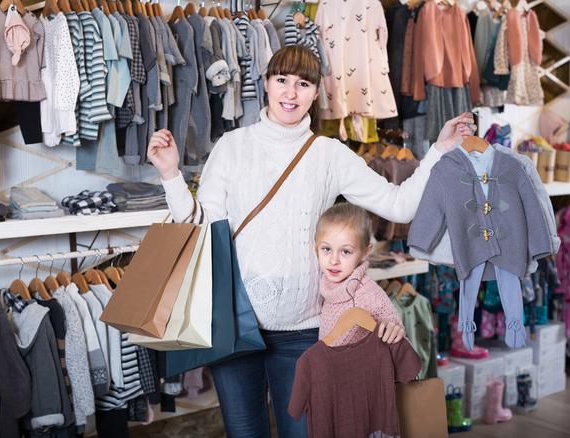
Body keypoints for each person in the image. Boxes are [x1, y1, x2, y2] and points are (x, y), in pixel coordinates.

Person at [147, 45, 475, 437]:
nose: (290, 93)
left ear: (316, 93)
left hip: (303, 330)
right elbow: (201, 223)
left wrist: (439, 150)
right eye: (282, 80)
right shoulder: (233, 147)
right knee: (244, 433)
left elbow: (398, 205)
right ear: (266, 83)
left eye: (302, 84)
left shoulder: (328, 155)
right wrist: (170, 174)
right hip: (234, 323)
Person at [316, 203, 405, 346]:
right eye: (326, 249)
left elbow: (395, 328)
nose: (333, 260)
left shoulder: (367, 292)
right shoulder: (326, 282)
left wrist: (393, 329)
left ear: (365, 251)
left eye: (346, 251)